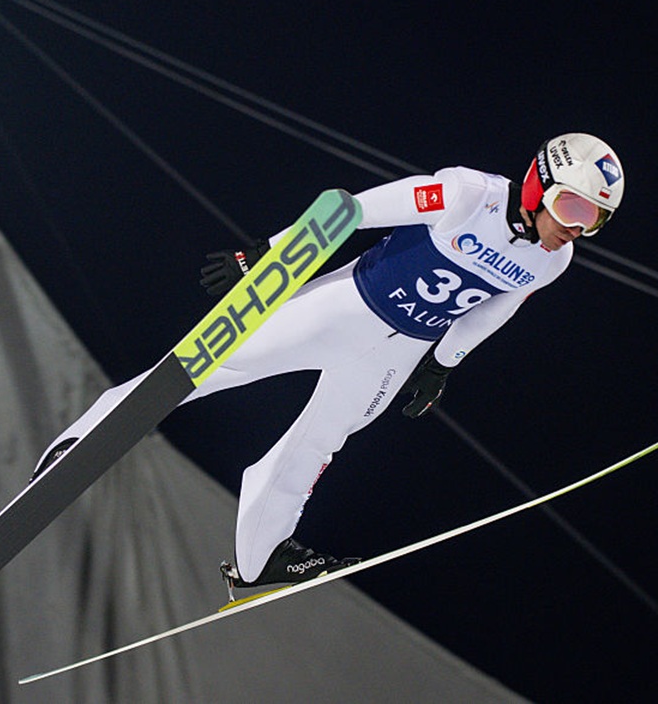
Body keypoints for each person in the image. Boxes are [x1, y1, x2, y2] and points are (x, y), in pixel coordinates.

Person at [33, 133, 625, 590]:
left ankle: (260, 558)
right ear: (538, 184)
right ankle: (86, 440)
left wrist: (442, 363)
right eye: (572, 207)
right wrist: (271, 253)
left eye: (592, 220)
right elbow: (352, 209)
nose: (574, 228)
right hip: (348, 307)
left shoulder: (554, 261)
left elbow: (496, 310)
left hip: (399, 352)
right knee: (206, 366)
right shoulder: (471, 196)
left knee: (320, 443)